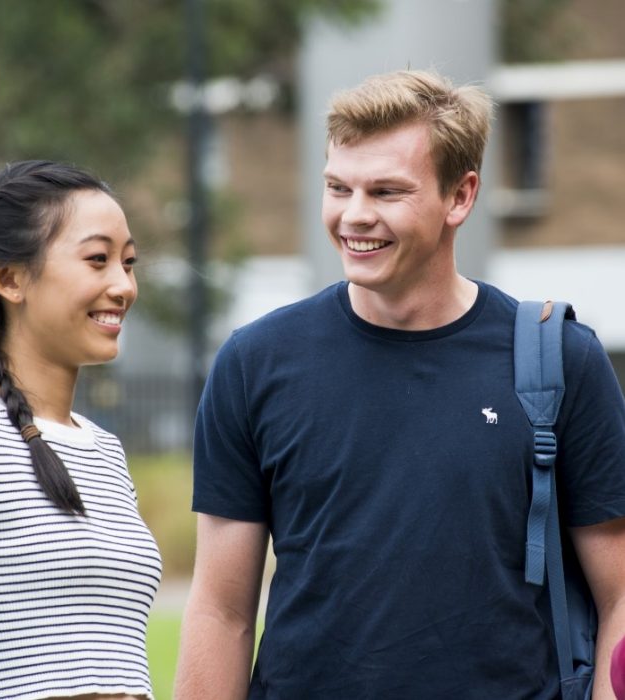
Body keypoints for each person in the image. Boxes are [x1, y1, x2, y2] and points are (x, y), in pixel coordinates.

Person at [174, 69, 625, 699]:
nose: (354, 216)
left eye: (386, 191)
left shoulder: (561, 362)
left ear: (460, 197)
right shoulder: (256, 362)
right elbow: (220, 610)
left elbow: (620, 598)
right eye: (338, 187)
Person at [0, 160, 162, 700]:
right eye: (97, 260)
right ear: (9, 278)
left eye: (128, 263)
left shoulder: (105, 451)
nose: (123, 286)